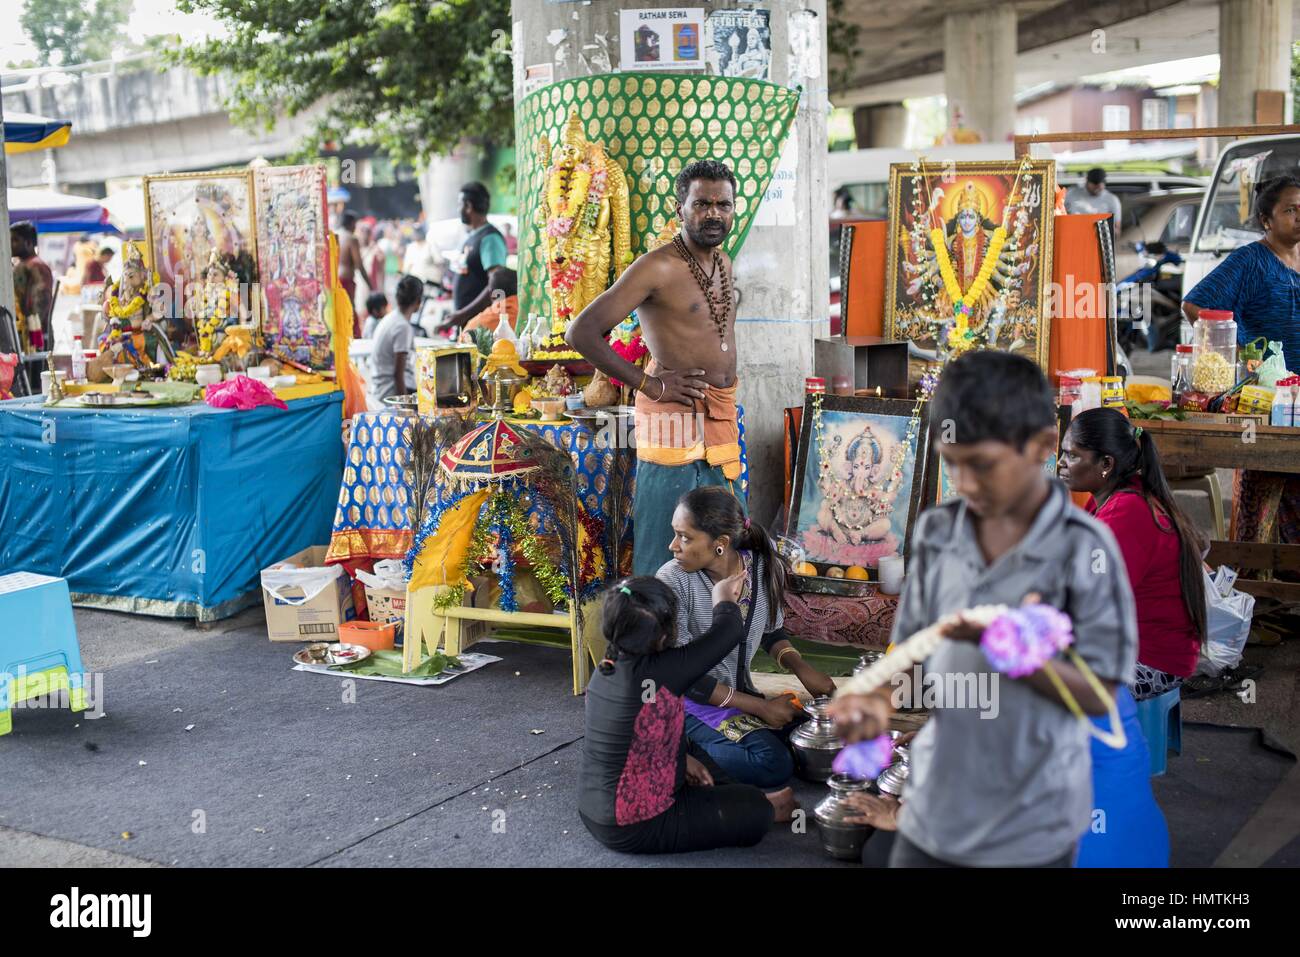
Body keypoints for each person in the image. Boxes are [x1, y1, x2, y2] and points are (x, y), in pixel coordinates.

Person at [830, 350, 1138, 868]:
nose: (965, 485)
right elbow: (908, 648)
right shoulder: (937, 530)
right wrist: (876, 699)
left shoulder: (1084, 547)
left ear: (1042, 445)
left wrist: (1023, 654)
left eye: (984, 466)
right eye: (952, 465)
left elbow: (1100, 695)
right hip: (937, 804)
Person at [567, 160, 744, 576]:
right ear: (679, 206)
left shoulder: (723, 262)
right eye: (702, 204)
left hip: (718, 415)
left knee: (722, 541)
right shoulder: (657, 266)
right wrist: (651, 385)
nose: (714, 213)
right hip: (671, 421)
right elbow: (582, 332)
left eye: (724, 204)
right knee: (665, 544)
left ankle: (713, 631)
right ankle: (649, 637)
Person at [579, 575, 791, 854]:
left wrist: (684, 759)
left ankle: (708, 789)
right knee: (754, 809)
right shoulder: (663, 670)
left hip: (594, 811)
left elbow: (635, 737)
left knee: (699, 758)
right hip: (636, 825)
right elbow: (727, 632)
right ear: (665, 635)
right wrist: (723, 597)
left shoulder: (609, 665)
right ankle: (766, 808)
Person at [656, 486, 835, 791]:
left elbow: (770, 631)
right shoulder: (672, 580)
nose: (673, 545)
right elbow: (684, 677)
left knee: (822, 734)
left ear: (721, 544)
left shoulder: (764, 567)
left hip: (739, 695)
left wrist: (801, 668)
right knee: (772, 764)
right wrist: (761, 708)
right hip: (689, 701)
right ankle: (677, 751)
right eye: (676, 534)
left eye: (685, 537)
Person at [1183, 175, 1300, 547]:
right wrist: (1237, 356)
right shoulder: (1252, 261)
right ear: (1267, 219)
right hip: (1268, 401)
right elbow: (1195, 304)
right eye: (1290, 210)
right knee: (1263, 486)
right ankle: (1256, 589)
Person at [1060, 407, 1206, 697]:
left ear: (1106, 463)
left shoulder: (1127, 513)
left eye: (1073, 455)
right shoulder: (1113, 497)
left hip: (1149, 661)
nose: (1062, 463)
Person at [452, 182, 508, 315]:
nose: (457, 209)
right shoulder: (474, 237)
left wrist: (463, 314)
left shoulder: (490, 238)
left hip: (480, 324)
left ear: (468, 206)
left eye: (459, 204)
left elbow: (496, 285)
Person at [369, 275, 422, 402]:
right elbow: (398, 375)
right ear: (418, 301)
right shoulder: (402, 327)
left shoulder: (391, 318)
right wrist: (405, 407)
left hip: (379, 389)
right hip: (388, 395)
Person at [10, 221, 53, 352]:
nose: (10, 244)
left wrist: (29, 331)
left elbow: (41, 303)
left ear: (28, 243)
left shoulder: (36, 266)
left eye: (15, 240)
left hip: (35, 338)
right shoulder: (23, 265)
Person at [441, 264, 517, 336]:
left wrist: (462, 315)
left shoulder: (476, 325)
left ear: (491, 294)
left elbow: (464, 344)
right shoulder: (524, 316)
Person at [1065, 168, 1122, 239]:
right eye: (1094, 184)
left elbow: (1117, 230)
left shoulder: (1112, 199)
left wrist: (1103, 229)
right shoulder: (1071, 194)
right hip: (1072, 238)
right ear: (1087, 181)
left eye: (1099, 184)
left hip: (1098, 242)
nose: (1097, 188)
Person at [335, 210, 365, 335]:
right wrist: (371, 286)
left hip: (334, 280)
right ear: (352, 223)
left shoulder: (334, 236)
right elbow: (359, 265)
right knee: (349, 312)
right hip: (346, 281)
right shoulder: (352, 239)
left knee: (339, 313)